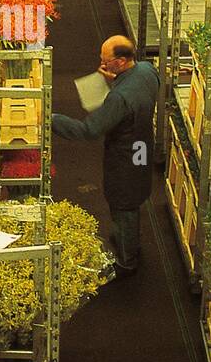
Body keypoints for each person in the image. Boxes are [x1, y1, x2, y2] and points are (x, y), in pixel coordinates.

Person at [52, 36, 159, 276]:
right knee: (136, 194)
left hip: (124, 158)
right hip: (141, 147)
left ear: (121, 61)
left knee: (123, 202)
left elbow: (89, 130)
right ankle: (130, 239)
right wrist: (116, 81)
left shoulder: (120, 99)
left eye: (105, 61)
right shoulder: (147, 71)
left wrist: (52, 119)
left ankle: (125, 259)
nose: (101, 64)